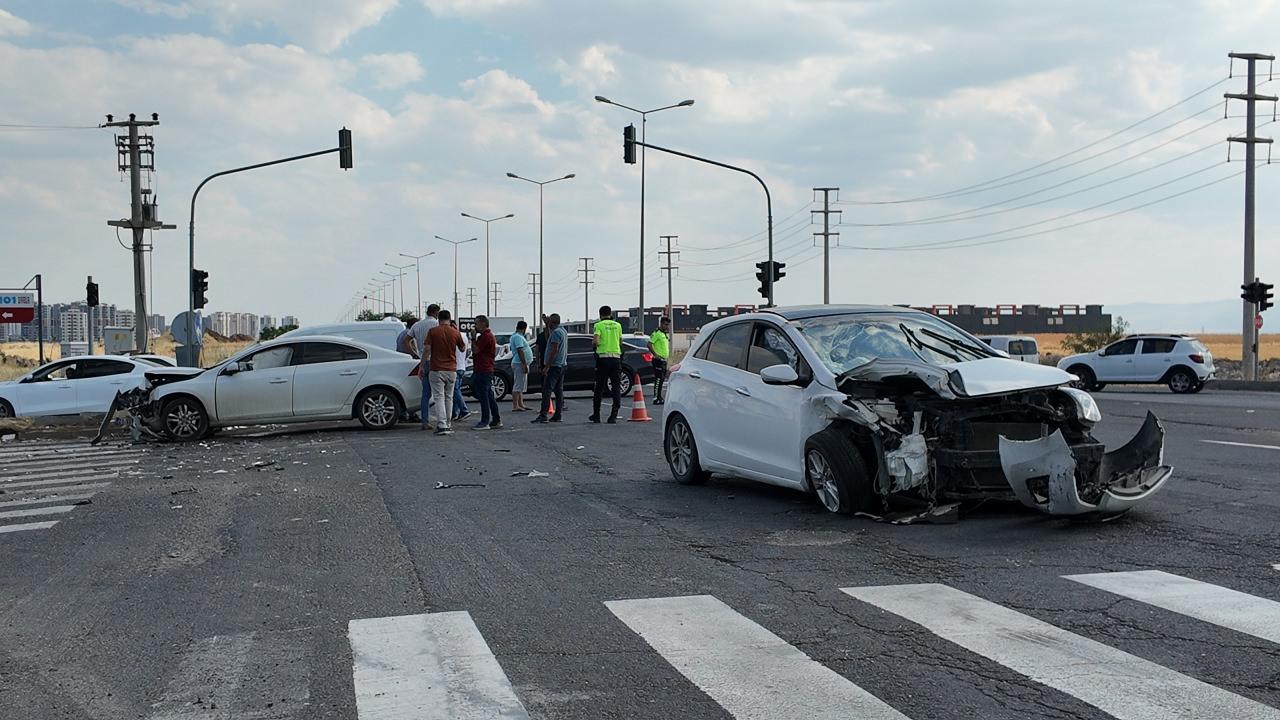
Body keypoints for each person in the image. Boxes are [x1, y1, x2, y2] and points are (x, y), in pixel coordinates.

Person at [423, 309, 465, 435]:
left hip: (436, 369)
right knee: (449, 397)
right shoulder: (455, 332)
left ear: (438, 319)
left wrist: (421, 365)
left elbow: (427, 349)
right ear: (449, 318)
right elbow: (462, 348)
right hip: (452, 369)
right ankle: (448, 423)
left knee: (439, 397)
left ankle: (442, 425)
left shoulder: (433, 331)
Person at [406, 304, 441, 429]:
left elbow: (406, 340)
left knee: (425, 394)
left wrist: (414, 353)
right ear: (436, 313)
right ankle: (442, 421)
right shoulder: (437, 325)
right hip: (436, 361)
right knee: (439, 393)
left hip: (422, 361)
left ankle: (425, 421)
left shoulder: (417, 325)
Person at [590, 305, 624, 424]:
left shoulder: (598, 325)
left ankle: (596, 415)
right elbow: (620, 342)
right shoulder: (618, 325)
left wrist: (594, 346)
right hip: (616, 358)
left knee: (599, 387)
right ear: (610, 314)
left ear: (600, 314)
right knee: (615, 387)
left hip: (603, 358)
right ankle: (613, 416)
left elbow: (595, 341)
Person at [532, 313, 566, 424]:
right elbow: (548, 338)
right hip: (561, 364)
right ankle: (558, 414)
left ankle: (543, 414)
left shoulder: (556, 333)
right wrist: (546, 324)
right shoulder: (563, 331)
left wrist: (547, 366)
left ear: (552, 322)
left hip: (554, 365)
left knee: (547, 390)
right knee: (558, 391)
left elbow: (554, 350)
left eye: (549, 322)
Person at [470, 315, 502, 430]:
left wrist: (473, 338)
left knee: (484, 396)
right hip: (485, 369)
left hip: (483, 369)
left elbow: (475, 350)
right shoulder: (487, 336)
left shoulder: (485, 336)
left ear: (483, 323)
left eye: (476, 323)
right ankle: (496, 419)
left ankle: (485, 421)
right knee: (489, 395)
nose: (475, 326)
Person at [450, 319, 471, 423]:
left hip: (455, 367)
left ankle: (464, 410)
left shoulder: (452, 336)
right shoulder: (464, 336)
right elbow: (467, 351)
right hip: (462, 366)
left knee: (455, 391)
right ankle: (455, 413)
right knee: (456, 391)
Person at [508, 320, 532, 412]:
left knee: (521, 385)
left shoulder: (517, 336)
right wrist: (524, 364)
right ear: (524, 328)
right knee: (518, 384)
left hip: (519, 363)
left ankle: (521, 404)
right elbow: (520, 350)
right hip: (519, 363)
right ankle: (515, 405)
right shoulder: (518, 337)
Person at [649, 316, 671, 404]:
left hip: (664, 360)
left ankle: (659, 396)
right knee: (658, 379)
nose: (667, 326)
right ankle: (656, 397)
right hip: (658, 360)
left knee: (662, 379)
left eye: (668, 325)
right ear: (661, 324)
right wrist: (655, 355)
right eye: (665, 324)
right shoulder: (656, 333)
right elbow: (649, 344)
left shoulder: (664, 334)